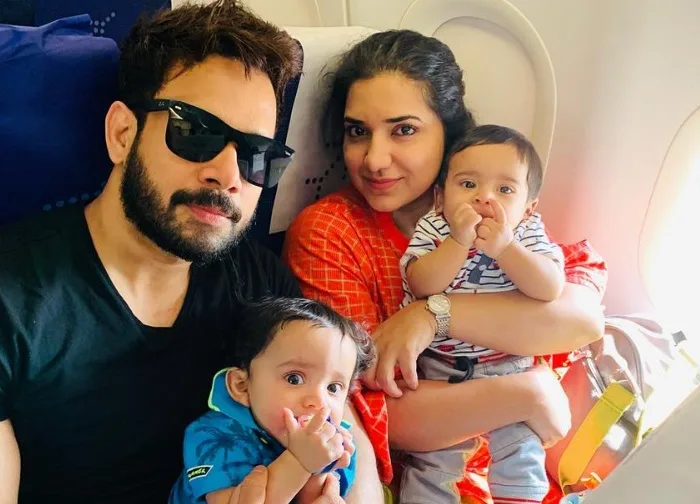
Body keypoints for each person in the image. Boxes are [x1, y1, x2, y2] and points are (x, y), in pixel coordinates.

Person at [0, 2, 383, 503]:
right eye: (196, 132)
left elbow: (346, 440)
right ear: (122, 134)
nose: (228, 176)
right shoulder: (12, 298)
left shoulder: (261, 286)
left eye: (256, 155)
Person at [282, 29, 608, 502]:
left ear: (449, 134)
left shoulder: (492, 205)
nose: (374, 160)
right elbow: (373, 411)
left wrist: (433, 314)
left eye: (404, 130)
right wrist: (528, 394)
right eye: (358, 132)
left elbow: (579, 320)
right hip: (437, 472)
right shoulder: (331, 232)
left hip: (520, 459)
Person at [399, 125, 566, 504]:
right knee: (434, 459)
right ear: (440, 196)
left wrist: (507, 249)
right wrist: (457, 242)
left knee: (521, 446)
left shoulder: (527, 233)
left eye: (505, 189)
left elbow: (550, 287)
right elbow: (421, 284)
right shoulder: (435, 226)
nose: (484, 197)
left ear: (528, 208)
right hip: (441, 366)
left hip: (508, 361)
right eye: (468, 184)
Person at [170, 297, 375, 504]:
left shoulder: (338, 446)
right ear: (242, 386)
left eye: (333, 388)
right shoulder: (212, 434)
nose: (318, 400)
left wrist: (319, 470)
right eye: (294, 379)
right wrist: (300, 461)